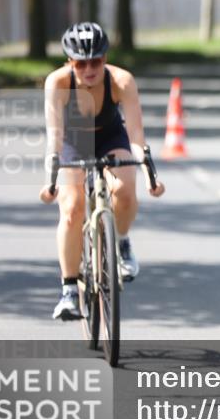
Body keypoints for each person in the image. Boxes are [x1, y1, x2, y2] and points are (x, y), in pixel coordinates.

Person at [39, 22, 165, 321]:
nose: (89, 69)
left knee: (124, 190)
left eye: (95, 61)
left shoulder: (122, 81)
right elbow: (54, 137)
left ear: (105, 58)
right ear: (69, 62)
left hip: (110, 137)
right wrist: (51, 181)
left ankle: (121, 242)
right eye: (80, 63)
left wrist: (150, 175)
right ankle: (70, 291)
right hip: (73, 141)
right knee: (72, 208)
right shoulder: (57, 83)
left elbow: (136, 137)